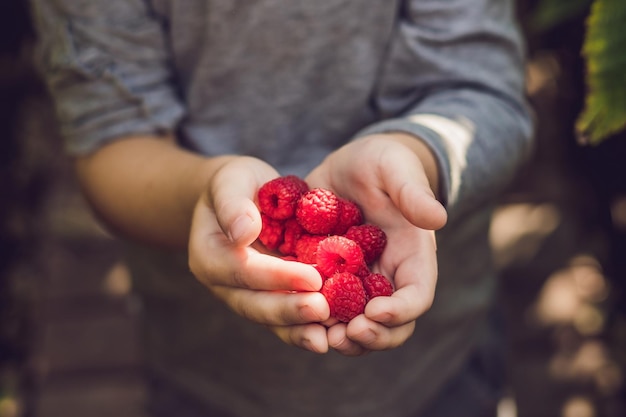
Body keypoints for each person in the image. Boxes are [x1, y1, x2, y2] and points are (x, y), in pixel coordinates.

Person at [29, 0, 534, 416]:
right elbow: (111, 138)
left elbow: (487, 93)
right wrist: (202, 190)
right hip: (206, 370)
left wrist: (416, 155)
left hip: (439, 362)